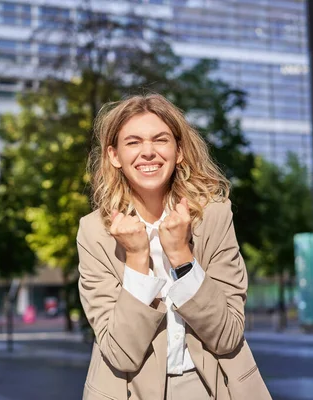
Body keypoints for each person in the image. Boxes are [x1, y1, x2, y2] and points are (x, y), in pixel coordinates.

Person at [77, 94, 271, 400]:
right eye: (133, 142)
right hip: (131, 391)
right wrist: (137, 258)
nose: (148, 152)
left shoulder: (215, 216)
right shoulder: (94, 232)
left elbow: (228, 336)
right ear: (114, 156)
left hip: (213, 388)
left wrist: (183, 257)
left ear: (178, 151)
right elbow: (120, 354)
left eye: (160, 139)